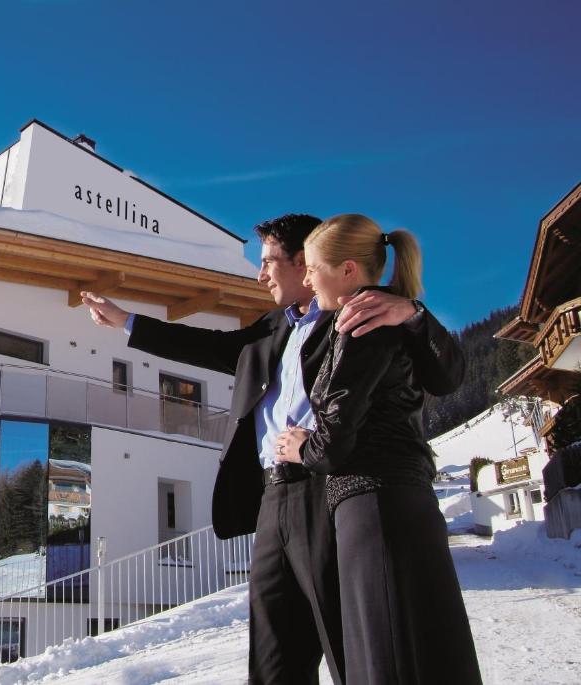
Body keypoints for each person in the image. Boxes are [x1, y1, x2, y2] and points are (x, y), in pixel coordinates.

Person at [82, 214, 464, 684]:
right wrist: (127, 322)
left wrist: (414, 314)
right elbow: (203, 345)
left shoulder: (363, 315)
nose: (260, 274)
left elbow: (445, 375)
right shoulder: (268, 330)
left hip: (330, 489)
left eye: (268, 262)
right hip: (273, 498)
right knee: (274, 649)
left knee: (351, 640)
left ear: (306, 262)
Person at [275, 214, 482, 684]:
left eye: (311, 267)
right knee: (426, 652)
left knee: (386, 655)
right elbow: (445, 378)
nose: (305, 278)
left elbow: (335, 439)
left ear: (348, 270)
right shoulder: (381, 318)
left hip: (374, 507)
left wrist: (298, 448)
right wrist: (414, 313)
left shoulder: (361, 323)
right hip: (401, 501)